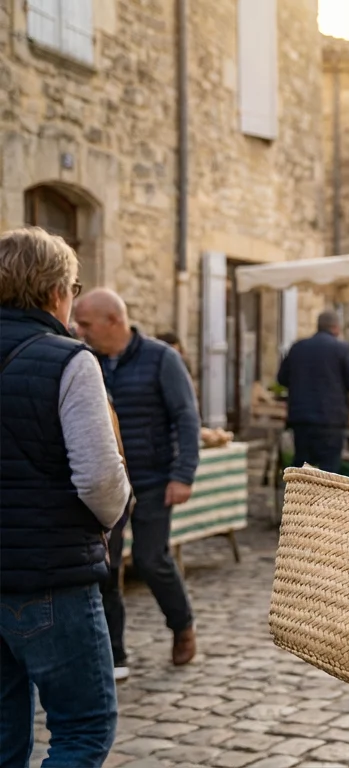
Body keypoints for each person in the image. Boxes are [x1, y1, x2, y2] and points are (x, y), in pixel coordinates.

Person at [0, 228, 130, 767]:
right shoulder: (70, 361)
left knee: (3, 740)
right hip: (49, 575)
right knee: (83, 730)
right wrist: (115, 513)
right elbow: (100, 480)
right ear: (58, 291)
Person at [74, 288, 201, 671]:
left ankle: (182, 626)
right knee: (106, 567)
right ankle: (114, 655)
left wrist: (183, 475)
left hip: (153, 479)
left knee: (150, 559)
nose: (78, 331)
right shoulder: (85, 361)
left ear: (113, 320)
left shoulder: (161, 358)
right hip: (107, 481)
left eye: (85, 323)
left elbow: (186, 417)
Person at [277, 311, 349, 473]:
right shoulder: (342, 349)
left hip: (301, 418)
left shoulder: (298, 347)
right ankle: (324, 499)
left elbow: (282, 379)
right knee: (329, 469)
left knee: (302, 467)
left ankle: (297, 498)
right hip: (330, 419)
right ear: (336, 328)